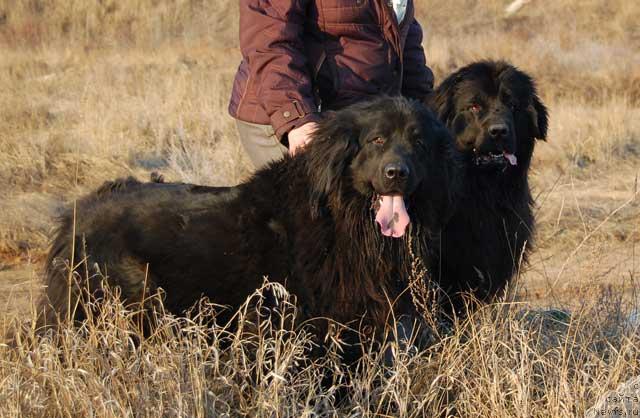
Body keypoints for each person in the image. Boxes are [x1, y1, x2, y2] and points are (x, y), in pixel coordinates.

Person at [228, 0, 434, 169]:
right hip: (294, 117)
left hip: (364, 122)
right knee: (309, 214)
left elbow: (403, 39)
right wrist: (297, 118)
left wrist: (429, 111)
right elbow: (269, 40)